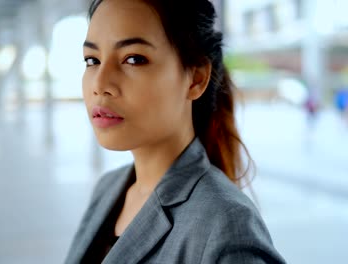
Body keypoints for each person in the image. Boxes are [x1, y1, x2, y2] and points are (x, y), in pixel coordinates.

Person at [65, 0, 286, 263]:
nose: (100, 84)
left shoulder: (226, 227)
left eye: (134, 59)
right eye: (92, 60)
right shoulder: (108, 188)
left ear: (196, 78)